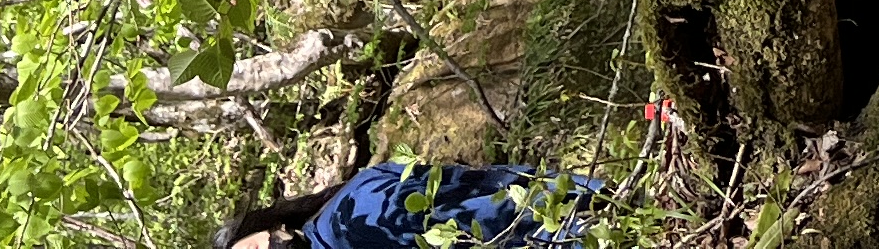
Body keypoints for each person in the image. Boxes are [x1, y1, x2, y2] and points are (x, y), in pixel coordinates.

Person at [215, 162, 596, 249]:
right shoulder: (346, 199)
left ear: (274, 226)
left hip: (570, 227)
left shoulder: (349, 225)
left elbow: (477, 216)